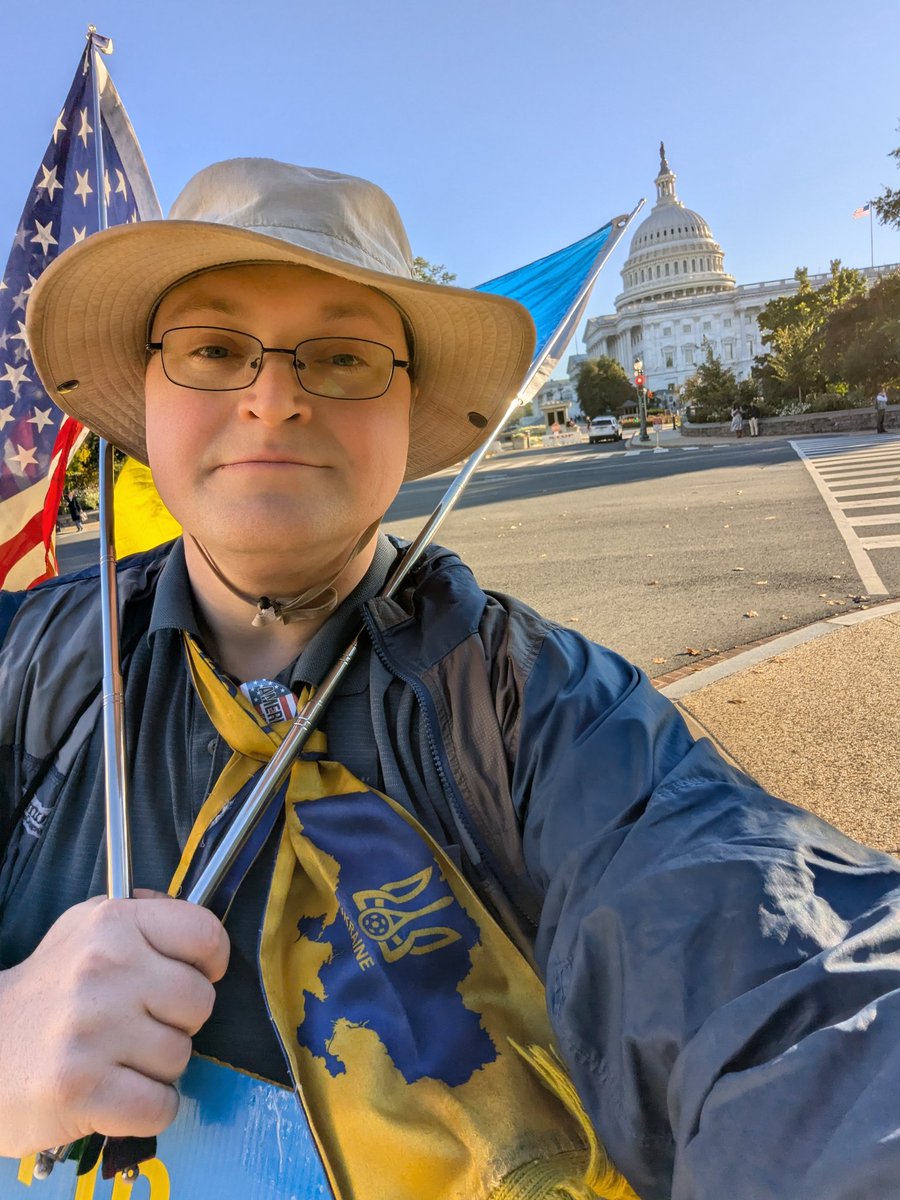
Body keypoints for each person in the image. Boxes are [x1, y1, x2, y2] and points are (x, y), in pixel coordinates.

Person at [1, 158, 899, 1200]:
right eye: (212, 349)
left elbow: (784, 968)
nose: (274, 399)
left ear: (409, 411)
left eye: (342, 356)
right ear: (147, 398)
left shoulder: (537, 713)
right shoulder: (33, 665)